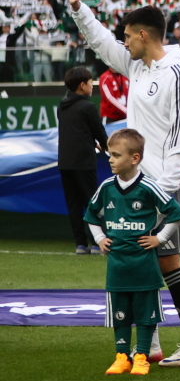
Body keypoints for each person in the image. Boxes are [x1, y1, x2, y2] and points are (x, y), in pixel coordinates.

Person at [67, 0, 180, 367]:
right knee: (142, 261)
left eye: (128, 35)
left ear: (144, 36)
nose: (123, 41)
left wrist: (158, 191)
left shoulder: (178, 74)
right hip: (138, 183)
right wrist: (78, 9)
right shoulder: (139, 67)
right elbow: (101, 44)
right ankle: (153, 345)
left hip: (163, 186)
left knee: (167, 262)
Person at [87, 129, 180, 376]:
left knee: (145, 312)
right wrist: (99, 238)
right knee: (119, 313)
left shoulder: (149, 186)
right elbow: (90, 215)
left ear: (135, 158)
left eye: (116, 155)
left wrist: (160, 238)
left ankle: (141, 356)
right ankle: (122, 356)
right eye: (110, 154)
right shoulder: (107, 187)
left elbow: (176, 213)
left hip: (144, 264)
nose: (110, 159)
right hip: (118, 266)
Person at [58, 65, 107, 255]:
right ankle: (96, 243)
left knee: (73, 204)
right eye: (90, 82)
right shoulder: (87, 106)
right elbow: (98, 132)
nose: (92, 86)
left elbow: (74, 132)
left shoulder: (62, 106)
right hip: (84, 162)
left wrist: (90, 141)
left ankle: (80, 244)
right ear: (81, 85)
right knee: (91, 202)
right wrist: (106, 145)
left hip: (65, 161)